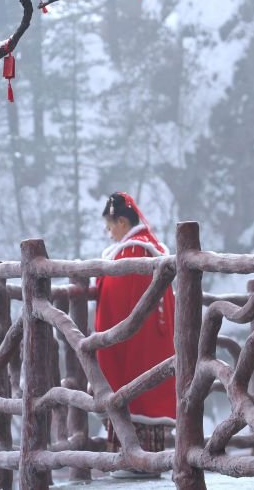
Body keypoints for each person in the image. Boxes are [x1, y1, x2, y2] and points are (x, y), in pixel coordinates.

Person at [95, 192, 176, 462]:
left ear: (121, 222)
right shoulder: (146, 247)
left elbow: (119, 302)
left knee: (132, 394)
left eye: (109, 227)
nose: (109, 234)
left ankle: (133, 459)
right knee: (145, 393)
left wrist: (106, 337)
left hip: (134, 342)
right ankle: (145, 458)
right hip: (150, 339)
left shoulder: (133, 251)